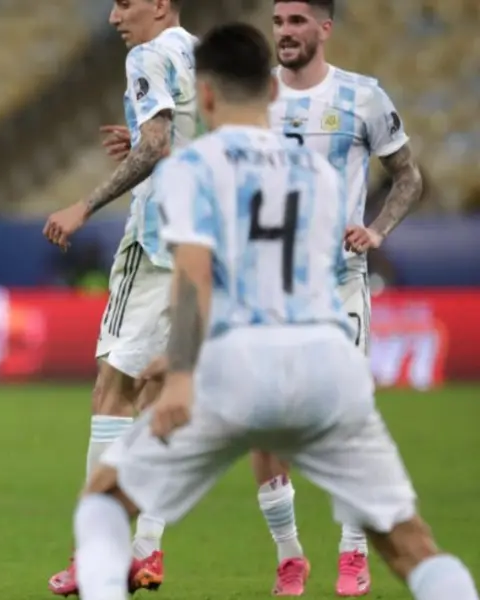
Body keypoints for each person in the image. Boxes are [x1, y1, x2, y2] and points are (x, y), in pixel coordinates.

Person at [72, 21, 478, 600]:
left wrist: (180, 373)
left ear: (204, 96)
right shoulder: (317, 173)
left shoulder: (192, 169)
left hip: (238, 369)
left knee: (102, 508)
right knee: (412, 546)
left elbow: (194, 276)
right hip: (327, 367)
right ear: (269, 94)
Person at [256, 1, 425, 595]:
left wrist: (376, 230)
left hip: (338, 284)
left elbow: (409, 175)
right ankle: (289, 556)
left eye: (297, 22)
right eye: (278, 22)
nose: (285, 33)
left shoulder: (363, 97)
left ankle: (353, 554)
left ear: (324, 28)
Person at [41, 0, 196, 594]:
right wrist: (141, 136)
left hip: (157, 243)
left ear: (160, 5)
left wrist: (82, 205)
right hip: (206, 247)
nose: (112, 17)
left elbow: (156, 145)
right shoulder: (204, 55)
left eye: (125, 2)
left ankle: (96, 553)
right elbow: (184, 138)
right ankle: (146, 549)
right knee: (163, 387)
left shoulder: (149, 55)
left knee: (113, 387)